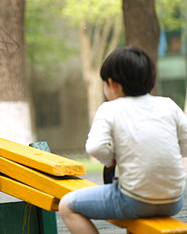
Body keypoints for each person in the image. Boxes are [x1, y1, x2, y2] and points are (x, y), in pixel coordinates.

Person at [59, 46, 187, 234]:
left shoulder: (110, 108)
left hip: (133, 200)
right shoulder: (168, 105)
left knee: (67, 206)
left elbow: (95, 148)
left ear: (112, 84)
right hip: (174, 200)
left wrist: (111, 158)